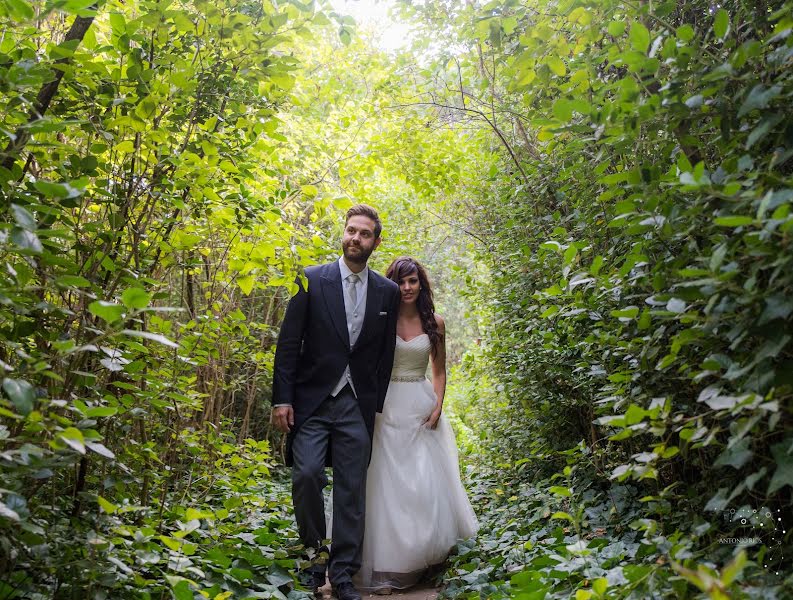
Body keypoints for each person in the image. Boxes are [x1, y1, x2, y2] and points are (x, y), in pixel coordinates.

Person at [271, 205, 400, 600]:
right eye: (351, 231)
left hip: (356, 404)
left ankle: (343, 574)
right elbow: (289, 344)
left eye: (364, 234)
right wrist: (282, 399)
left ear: (376, 242)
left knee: (351, 489)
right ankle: (315, 558)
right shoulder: (310, 280)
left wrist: (373, 404)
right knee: (307, 474)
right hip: (312, 401)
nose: (355, 239)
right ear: (343, 234)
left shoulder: (387, 292)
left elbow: (383, 354)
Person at [355, 256, 479, 594]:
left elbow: (439, 371)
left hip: (421, 404)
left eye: (413, 282)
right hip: (386, 407)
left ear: (420, 285)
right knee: (385, 484)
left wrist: (438, 405)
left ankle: (426, 557)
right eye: (400, 282)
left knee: (423, 483)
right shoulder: (380, 320)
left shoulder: (434, 322)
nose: (407, 288)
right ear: (391, 285)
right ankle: (388, 561)